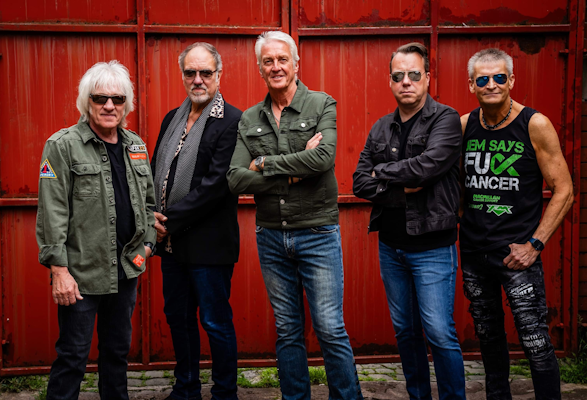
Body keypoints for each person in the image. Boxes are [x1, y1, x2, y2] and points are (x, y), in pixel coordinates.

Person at [227, 31, 362, 400]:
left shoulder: (321, 104)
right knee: (287, 330)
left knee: (330, 328)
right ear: (260, 69)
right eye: (268, 61)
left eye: (282, 59)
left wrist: (264, 163)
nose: (276, 67)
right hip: (271, 236)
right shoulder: (250, 118)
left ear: (296, 64)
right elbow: (235, 178)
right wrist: (293, 172)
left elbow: (323, 159)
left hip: (317, 233)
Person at [36, 60, 156, 400]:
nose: (109, 106)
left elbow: (149, 206)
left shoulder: (136, 146)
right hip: (80, 275)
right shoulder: (62, 146)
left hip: (126, 272)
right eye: (100, 98)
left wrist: (146, 248)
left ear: (126, 104)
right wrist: (59, 271)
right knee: (73, 357)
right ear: (86, 101)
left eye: (117, 99)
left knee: (117, 355)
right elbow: (52, 211)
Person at [353, 42, 466, 400]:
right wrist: (402, 186)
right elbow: (359, 181)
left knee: (439, 333)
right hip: (391, 247)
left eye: (414, 74)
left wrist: (382, 172)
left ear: (427, 78)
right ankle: (419, 396)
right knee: (405, 331)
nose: (406, 82)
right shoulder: (381, 127)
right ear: (390, 81)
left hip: (432, 247)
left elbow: (427, 167)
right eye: (398, 76)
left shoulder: (446, 119)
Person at [460, 48, 573, 400]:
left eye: (498, 77)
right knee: (489, 341)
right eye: (482, 79)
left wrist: (535, 244)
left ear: (511, 80)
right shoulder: (464, 125)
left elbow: (565, 190)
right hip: (475, 255)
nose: (491, 85)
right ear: (472, 85)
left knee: (535, 341)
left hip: (517, 256)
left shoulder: (534, 124)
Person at [151, 42, 242, 400]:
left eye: (206, 72)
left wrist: (167, 220)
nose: (198, 79)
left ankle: (225, 393)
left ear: (219, 75)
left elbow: (216, 186)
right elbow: (156, 174)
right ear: (183, 75)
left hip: (209, 245)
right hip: (172, 245)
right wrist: (154, 217)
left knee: (215, 322)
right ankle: (186, 389)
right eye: (191, 72)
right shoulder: (171, 118)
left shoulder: (232, 121)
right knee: (179, 318)